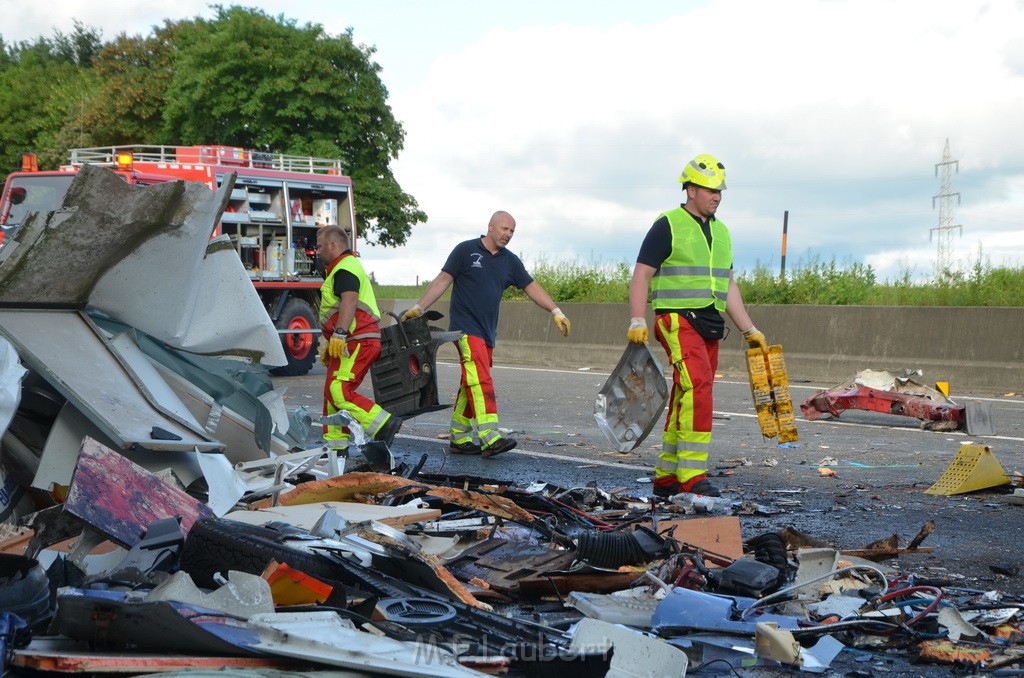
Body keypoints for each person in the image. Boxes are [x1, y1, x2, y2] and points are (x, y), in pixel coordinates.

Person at [628, 154, 768, 498]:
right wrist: (637, 318)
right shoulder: (669, 224)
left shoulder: (722, 233)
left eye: (719, 190)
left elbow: (728, 285)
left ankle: (666, 474)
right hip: (676, 319)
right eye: (709, 189)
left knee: (685, 393)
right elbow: (642, 273)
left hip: (709, 323)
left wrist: (750, 329)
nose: (716, 196)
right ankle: (691, 475)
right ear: (690, 189)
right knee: (700, 387)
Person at [401, 210, 571, 458]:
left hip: (487, 332)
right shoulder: (465, 251)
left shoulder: (510, 261)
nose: (508, 234)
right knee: (480, 379)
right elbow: (443, 279)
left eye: (512, 231)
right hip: (465, 329)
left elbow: (531, 286)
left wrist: (556, 311)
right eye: (504, 229)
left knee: (471, 381)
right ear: (490, 227)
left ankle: (459, 437)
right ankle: (490, 436)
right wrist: (419, 308)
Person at [316, 225, 402, 453]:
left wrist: (339, 333)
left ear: (333, 246)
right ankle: (336, 446)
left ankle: (383, 424)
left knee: (339, 390)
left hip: (356, 340)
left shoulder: (345, 267)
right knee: (331, 392)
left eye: (320, 246)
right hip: (350, 340)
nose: (317, 251)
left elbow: (349, 300)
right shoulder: (341, 268)